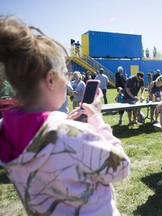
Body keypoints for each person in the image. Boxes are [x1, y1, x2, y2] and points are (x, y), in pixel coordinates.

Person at [0, 16, 130, 215]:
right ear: (51, 79)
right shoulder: (72, 134)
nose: (67, 81)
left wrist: (62, 124)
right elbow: (121, 168)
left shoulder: (6, 128)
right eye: (66, 74)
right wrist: (96, 119)